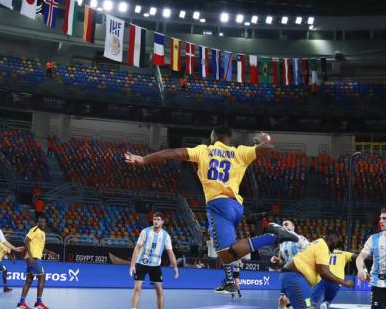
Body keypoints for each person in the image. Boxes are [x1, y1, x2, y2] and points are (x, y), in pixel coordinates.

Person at [125, 126, 299, 296]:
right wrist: (264, 139)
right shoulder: (240, 152)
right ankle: (230, 281)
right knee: (227, 252)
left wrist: (145, 159)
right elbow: (268, 146)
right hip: (236, 207)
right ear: (228, 140)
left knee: (226, 252)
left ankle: (274, 235)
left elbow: (174, 153)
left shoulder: (204, 151)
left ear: (213, 138)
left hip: (218, 205)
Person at [265, 230, 355, 309]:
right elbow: (324, 273)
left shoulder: (320, 246)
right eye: (336, 239)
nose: (337, 242)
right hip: (295, 277)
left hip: (298, 279)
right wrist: (345, 282)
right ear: (330, 238)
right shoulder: (322, 245)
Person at [128, 212, 179, 309]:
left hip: (155, 266)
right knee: (137, 288)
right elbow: (137, 248)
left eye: (158, 219)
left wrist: (175, 267)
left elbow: (170, 253)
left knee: (159, 290)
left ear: (162, 222)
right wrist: (132, 264)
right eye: (154, 219)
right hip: (141, 263)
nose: (155, 221)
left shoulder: (165, 236)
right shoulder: (145, 232)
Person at [16, 215, 49, 309]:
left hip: (35, 257)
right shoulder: (34, 230)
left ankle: (21, 303)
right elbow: (26, 241)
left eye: (43, 222)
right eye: (40, 221)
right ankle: (38, 303)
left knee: (29, 281)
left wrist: (51, 253)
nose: (42, 223)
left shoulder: (43, 233)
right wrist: (30, 256)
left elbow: (41, 248)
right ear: (38, 223)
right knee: (42, 278)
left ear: (45, 223)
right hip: (33, 258)